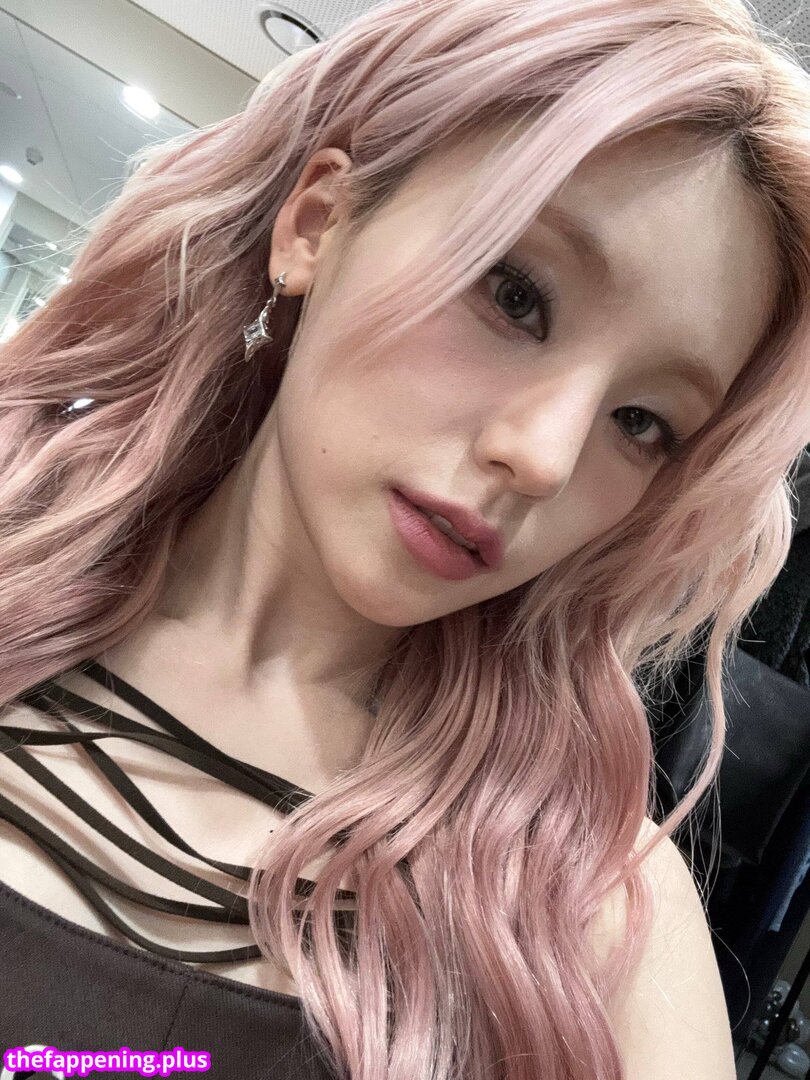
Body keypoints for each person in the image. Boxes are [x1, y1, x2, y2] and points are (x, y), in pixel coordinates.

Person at [0, 0, 809, 1077]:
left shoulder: (581, 916)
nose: (545, 458)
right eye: (515, 296)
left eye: (641, 421)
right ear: (317, 223)